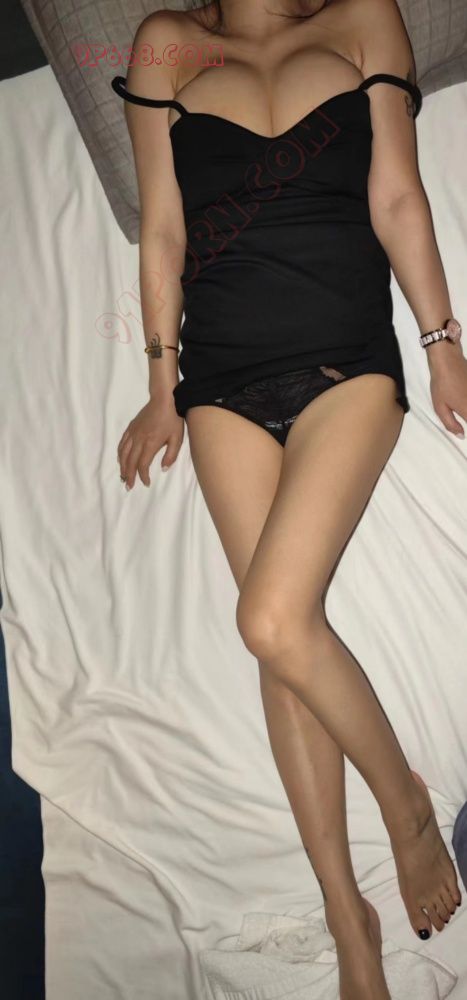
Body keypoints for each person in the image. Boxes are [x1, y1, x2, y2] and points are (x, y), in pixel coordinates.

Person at [113, 2, 466, 996]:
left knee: (269, 618)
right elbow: (162, 229)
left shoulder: (363, 17)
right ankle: (345, 917)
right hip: (220, 380)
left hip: (344, 364)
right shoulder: (165, 43)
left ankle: (402, 808)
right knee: (282, 645)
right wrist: (159, 385)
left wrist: (441, 344)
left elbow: (395, 195)